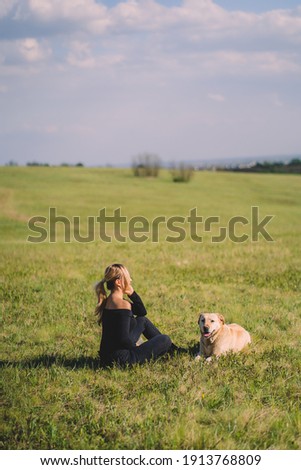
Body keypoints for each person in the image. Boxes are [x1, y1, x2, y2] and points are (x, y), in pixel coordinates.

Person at [95, 263, 173, 367]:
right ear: (118, 282)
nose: (130, 280)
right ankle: (170, 350)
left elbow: (141, 312)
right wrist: (139, 349)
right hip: (122, 359)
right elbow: (123, 339)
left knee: (142, 320)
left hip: (108, 355)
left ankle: (174, 351)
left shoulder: (109, 301)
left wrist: (132, 294)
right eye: (127, 278)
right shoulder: (123, 304)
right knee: (165, 339)